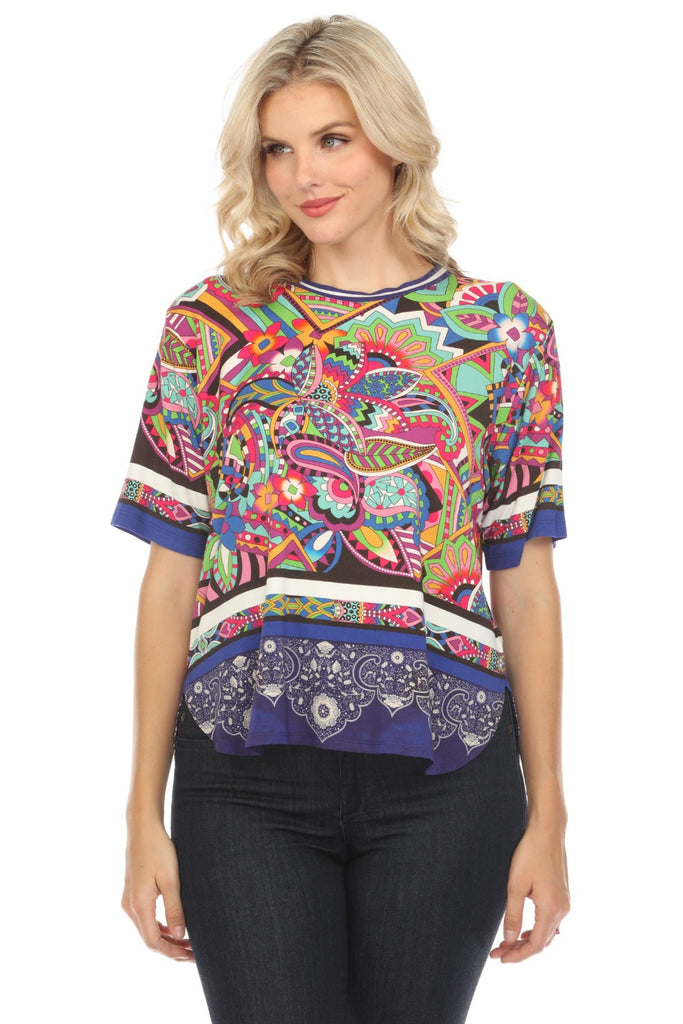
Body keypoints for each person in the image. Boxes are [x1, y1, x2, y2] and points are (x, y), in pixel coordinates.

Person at [113, 14, 570, 1024]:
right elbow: (169, 576)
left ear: (394, 139)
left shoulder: (501, 331)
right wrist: (142, 812)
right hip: (244, 781)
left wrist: (549, 815)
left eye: (331, 139)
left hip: (447, 778)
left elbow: (525, 581)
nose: (301, 176)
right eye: (276, 149)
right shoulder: (211, 326)